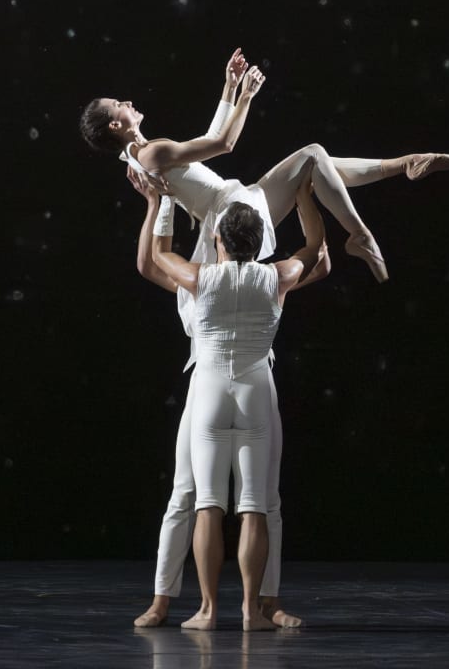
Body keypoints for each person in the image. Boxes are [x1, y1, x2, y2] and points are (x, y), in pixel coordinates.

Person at [128, 165, 330, 630]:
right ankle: (247, 612)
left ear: (218, 239)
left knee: (209, 504)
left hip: (211, 391)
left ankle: (207, 609)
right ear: (260, 243)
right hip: (257, 391)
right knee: (255, 503)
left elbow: (158, 254)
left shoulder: (200, 278)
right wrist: (303, 198)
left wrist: (158, 205)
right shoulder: (276, 277)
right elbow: (313, 250)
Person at [80, 47, 449, 284]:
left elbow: (209, 142)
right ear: (116, 125)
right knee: (312, 156)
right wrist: (246, 96)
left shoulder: (143, 156)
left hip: (238, 199)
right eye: (120, 104)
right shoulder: (152, 154)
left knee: (315, 160)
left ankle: (403, 165)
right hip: (234, 211)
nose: (128, 102)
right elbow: (224, 144)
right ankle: (361, 231)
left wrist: (229, 88)